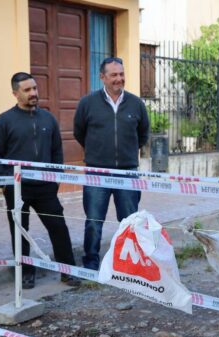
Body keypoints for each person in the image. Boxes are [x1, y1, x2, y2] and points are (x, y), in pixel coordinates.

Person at [0, 72, 81, 290]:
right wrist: (4, 183)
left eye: (35, 89)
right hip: (17, 187)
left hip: (45, 187)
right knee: (20, 231)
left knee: (58, 227)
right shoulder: (3, 121)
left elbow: (57, 151)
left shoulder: (48, 119)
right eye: (27, 90)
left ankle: (68, 271)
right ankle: (26, 274)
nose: (33, 93)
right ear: (15, 93)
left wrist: (56, 178)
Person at [73, 57, 150, 270]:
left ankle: (129, 262)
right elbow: (79, 133)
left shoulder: (136, 104)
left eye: (121, 74)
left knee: (129, 221)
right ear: (102, 77)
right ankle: (91, 262)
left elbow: (142, 135)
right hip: (97, 172)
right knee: (94, 221)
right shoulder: (87, 104)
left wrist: (126, 155)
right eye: (114, 75)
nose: (119, 79)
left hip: (127, 172)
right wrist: (97, 155)